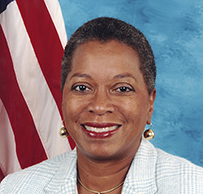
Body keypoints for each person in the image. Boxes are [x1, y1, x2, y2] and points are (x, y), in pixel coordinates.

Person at [0, 17, 203, 194]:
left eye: (122, 89)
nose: (99, 106)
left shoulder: (193, 186)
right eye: (82, 87)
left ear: (150, 103)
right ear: (63, 98)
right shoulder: (16, 188)